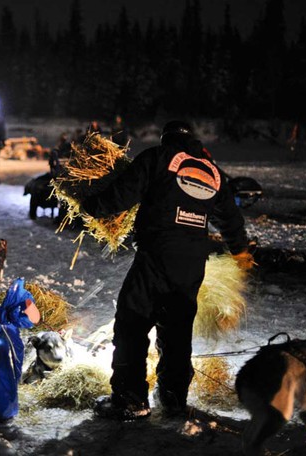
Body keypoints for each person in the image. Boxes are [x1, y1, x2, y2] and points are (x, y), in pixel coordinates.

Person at [81, 120, 252, 420]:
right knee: (176, 330)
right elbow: (231, 217)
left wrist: (91, 206)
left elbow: (123, 193)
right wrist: (240, 250)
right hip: (191, 265)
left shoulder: (158, 158)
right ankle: (173, 399)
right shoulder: (212, 171)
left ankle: (130, 399)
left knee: (131, 324)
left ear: (166, 139)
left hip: (156, 257)